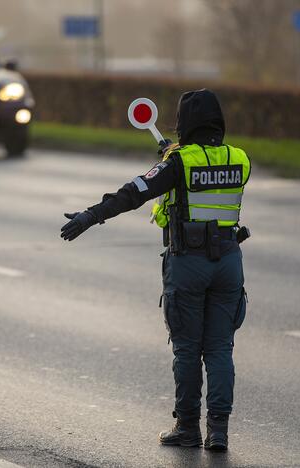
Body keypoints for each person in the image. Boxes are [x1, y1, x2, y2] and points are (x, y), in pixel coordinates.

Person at [60, 89, 249, 451]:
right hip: (228, 262)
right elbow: (206, 171)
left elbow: (136, 192)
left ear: (185, 123)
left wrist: (91, 215)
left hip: (189, 263)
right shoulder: (241, 159)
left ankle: (188, 428)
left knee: (188, 350)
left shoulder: (178, 163)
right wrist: (174, 157)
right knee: (221, 349)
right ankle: (219, 432)